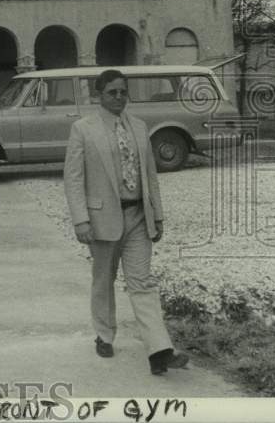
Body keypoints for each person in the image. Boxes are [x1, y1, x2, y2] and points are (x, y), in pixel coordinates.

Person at [63, 69, 189, 375]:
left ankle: (159, 350)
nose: (119, 97)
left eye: (123, 92)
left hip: (137, 217)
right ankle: (104, 335)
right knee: (103, 280)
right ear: (99, 95)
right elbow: (73, 178)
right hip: (102, 218)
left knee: (142, 282)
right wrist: (81, 220)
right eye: (112, 93)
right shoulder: (83, 129)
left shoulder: (139, 126)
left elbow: (149, 175)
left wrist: (156, 214)